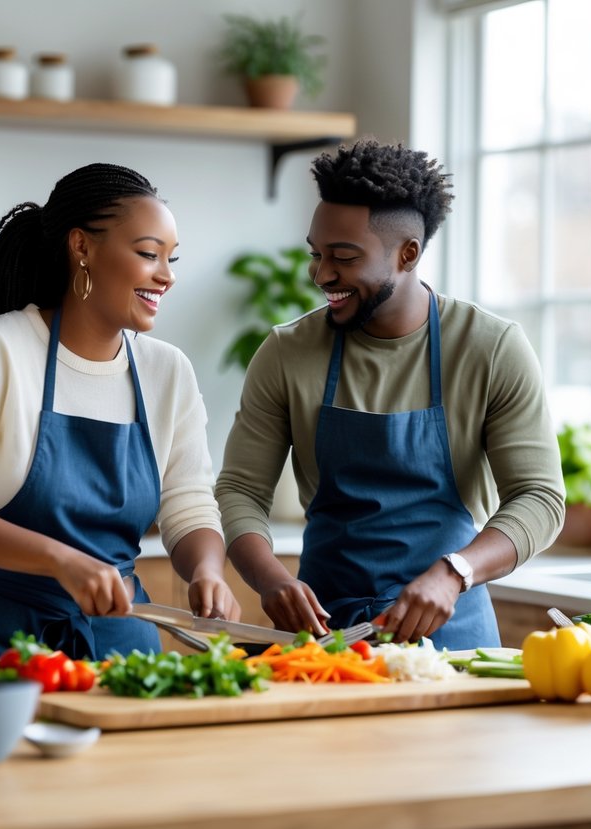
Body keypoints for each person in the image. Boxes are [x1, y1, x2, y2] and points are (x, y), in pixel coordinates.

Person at [215, 139, 565, 650]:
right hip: (323, 639)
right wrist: (271, 580)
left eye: (344, 257)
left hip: (455, 644)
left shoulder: (490, 348)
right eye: (317, 254)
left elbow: (541, 498)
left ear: (408, 254)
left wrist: (455, 572)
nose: (321, 274)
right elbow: (241, 490)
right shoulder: (288, 352)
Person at [0, 163, 239, 661]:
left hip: (122, 648)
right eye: (149, 254)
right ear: (81, 247)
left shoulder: (167, 371)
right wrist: (61, 561)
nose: (166, 276)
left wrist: (208, 570)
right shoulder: (0, 348)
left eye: (171, 258)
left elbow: (188, 506)